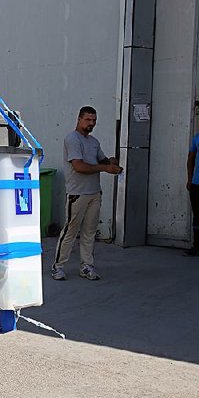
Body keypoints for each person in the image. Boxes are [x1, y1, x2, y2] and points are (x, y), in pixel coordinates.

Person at [51, 106, 122, 281]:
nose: (91, 123)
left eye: (94, 120)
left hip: (94, 193)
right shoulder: (72, 139)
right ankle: (58, 267)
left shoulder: (93, 142)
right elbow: (79, 166)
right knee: (70, 230)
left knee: (89, 232)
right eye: (88, 120)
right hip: (78, 193)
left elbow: (102, 160)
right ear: (79, 119)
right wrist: (106, 168)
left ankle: (86, 266)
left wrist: (111, 162)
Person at [184, 114, 199, 256]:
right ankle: (197, 246)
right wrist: (190, 179)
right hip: (198, 183)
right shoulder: (198, 138)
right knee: (198, 215)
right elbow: (190, 159)